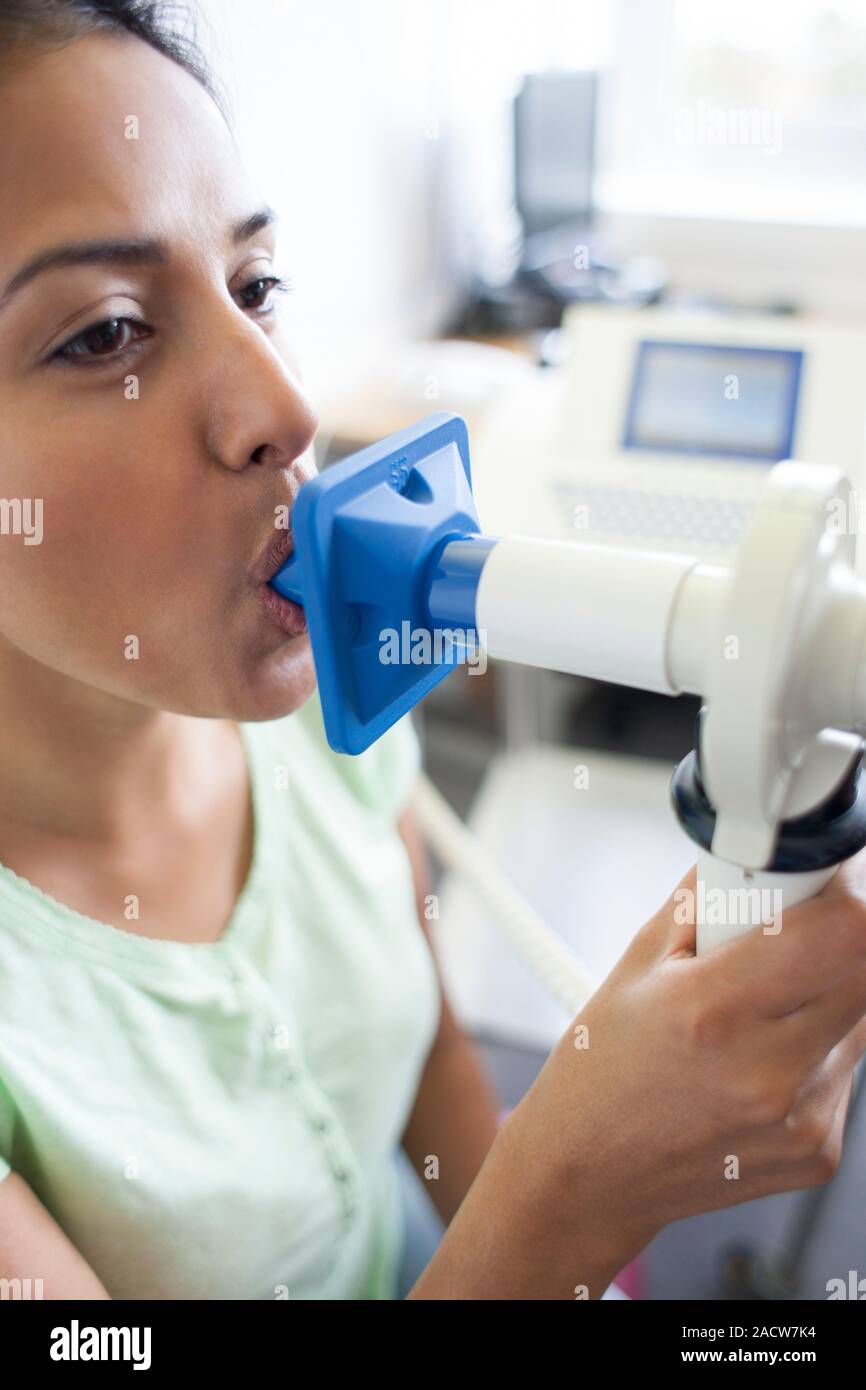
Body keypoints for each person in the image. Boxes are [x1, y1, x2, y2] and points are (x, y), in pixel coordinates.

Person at [0, 0, 865, 1302]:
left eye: (255, 285)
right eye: (105, 332)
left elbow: (430, 1081)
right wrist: (565, 1203)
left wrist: (573, 1246)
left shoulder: (319, 699)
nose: (286, 408)